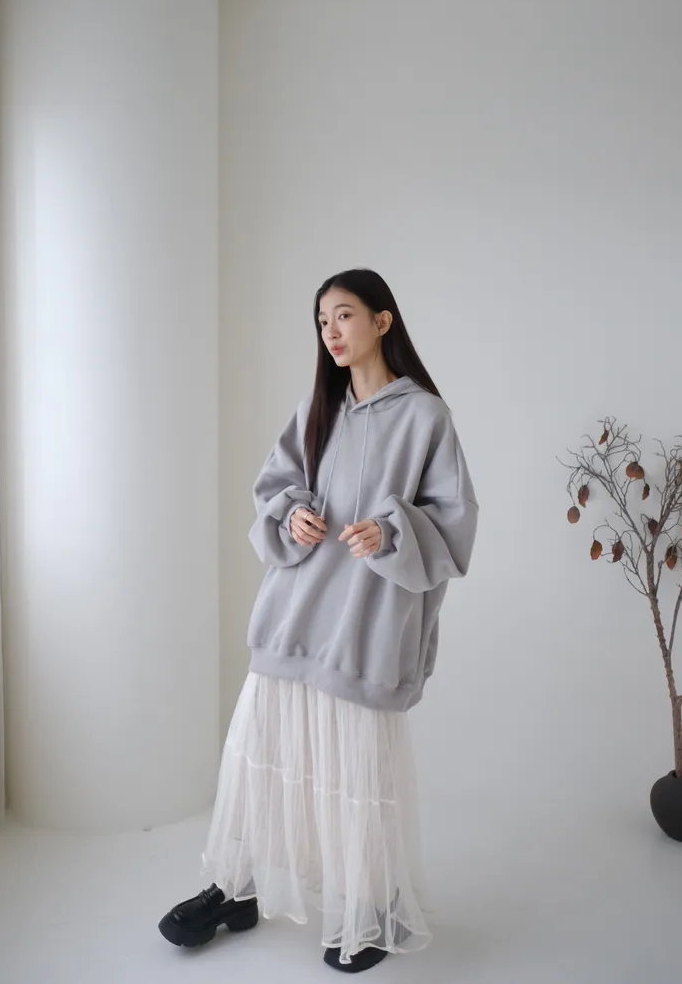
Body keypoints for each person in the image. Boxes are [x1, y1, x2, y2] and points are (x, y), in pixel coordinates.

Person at [158, 268, 478, 972]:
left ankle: (369, 909)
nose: (331, 331)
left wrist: (391, 531)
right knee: (261, 757)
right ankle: (236, 887)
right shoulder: (318, 408)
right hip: (292, 616)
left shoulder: (426, 417)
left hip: (363, 626)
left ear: (383, 321)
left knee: (356, 773)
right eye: (322, 320)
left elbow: (454, 523)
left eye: (344, 315)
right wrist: (292, 512)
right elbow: (275, 485)